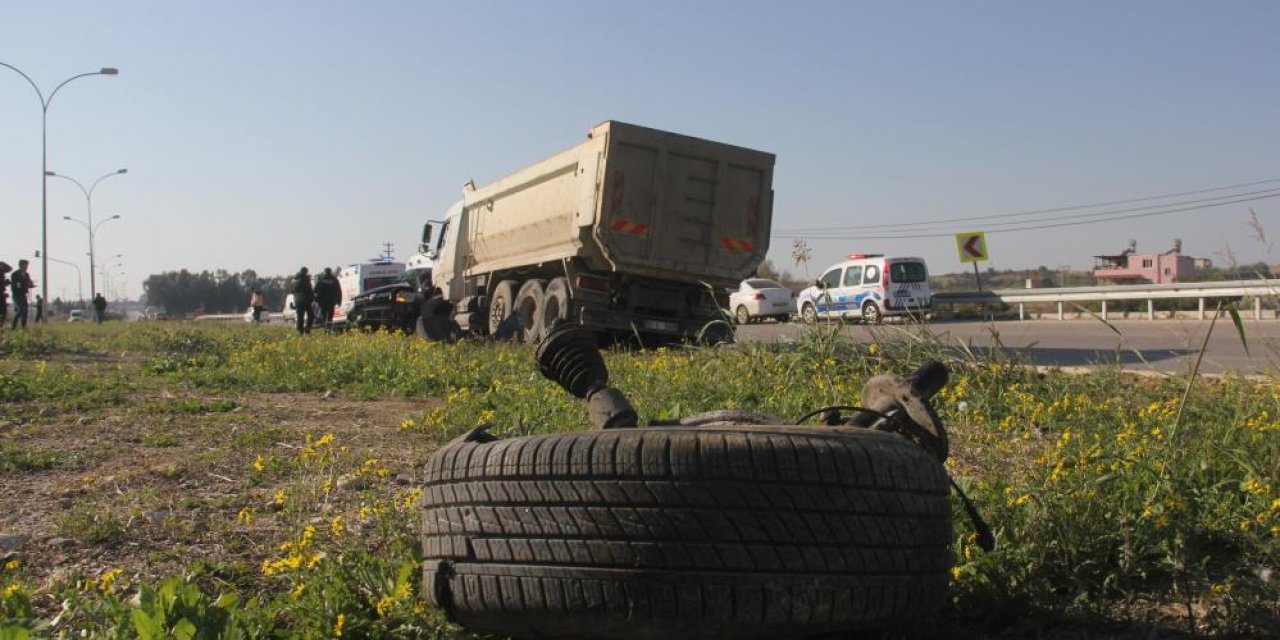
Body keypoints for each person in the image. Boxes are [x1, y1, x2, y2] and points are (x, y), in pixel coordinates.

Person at [9, 259, 34, 330]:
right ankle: (13, 327)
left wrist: (31, 284)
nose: (26, 267)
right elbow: (16, 285)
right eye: (25, 266)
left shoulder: (27, 275)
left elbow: (29, 283)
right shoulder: (15, 274)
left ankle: (23, 327)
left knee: (25, 311)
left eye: (27, 266)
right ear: (21, 265)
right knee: (21, 310)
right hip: (17, 295)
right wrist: (24, 285)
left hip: (23, 295)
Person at [292, 267, 315, 334]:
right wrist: (313, 298)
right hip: (305, 300)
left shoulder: (294, 280)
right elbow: (309, 290)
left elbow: (292, 291)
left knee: (300, 317)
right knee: (311, 315)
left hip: (297, 301)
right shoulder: (305, 279)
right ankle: (307, 328)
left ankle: (300, 331)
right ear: (305, 272)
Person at [0, 261, 11, 334]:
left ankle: (1, 327)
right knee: (3, 311)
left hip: (1, 293)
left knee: (3, 312)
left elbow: (9, 269)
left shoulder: (1, 272)